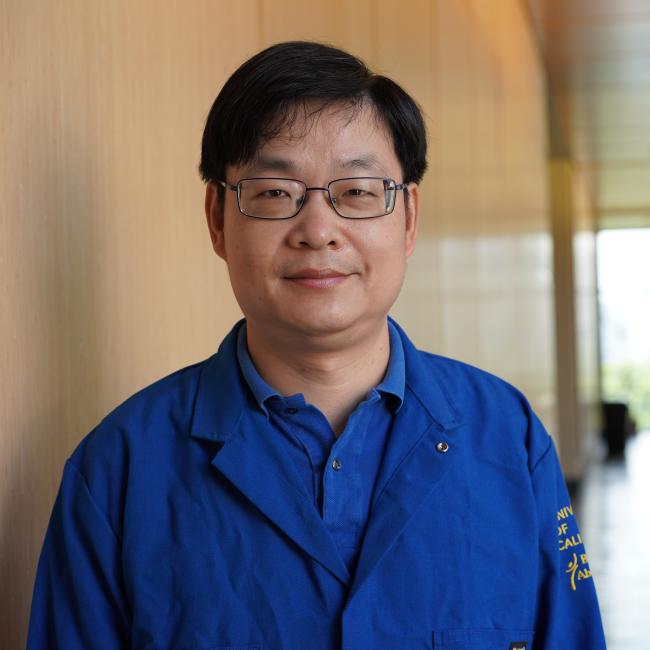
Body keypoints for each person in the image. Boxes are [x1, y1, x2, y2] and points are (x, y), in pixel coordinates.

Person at [27, 41, 606, 649]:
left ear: (408, 218)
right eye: (275, 192)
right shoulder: (118, 470)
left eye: (357, 192)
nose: (318, 231)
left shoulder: (505, 437)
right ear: (218, 220)